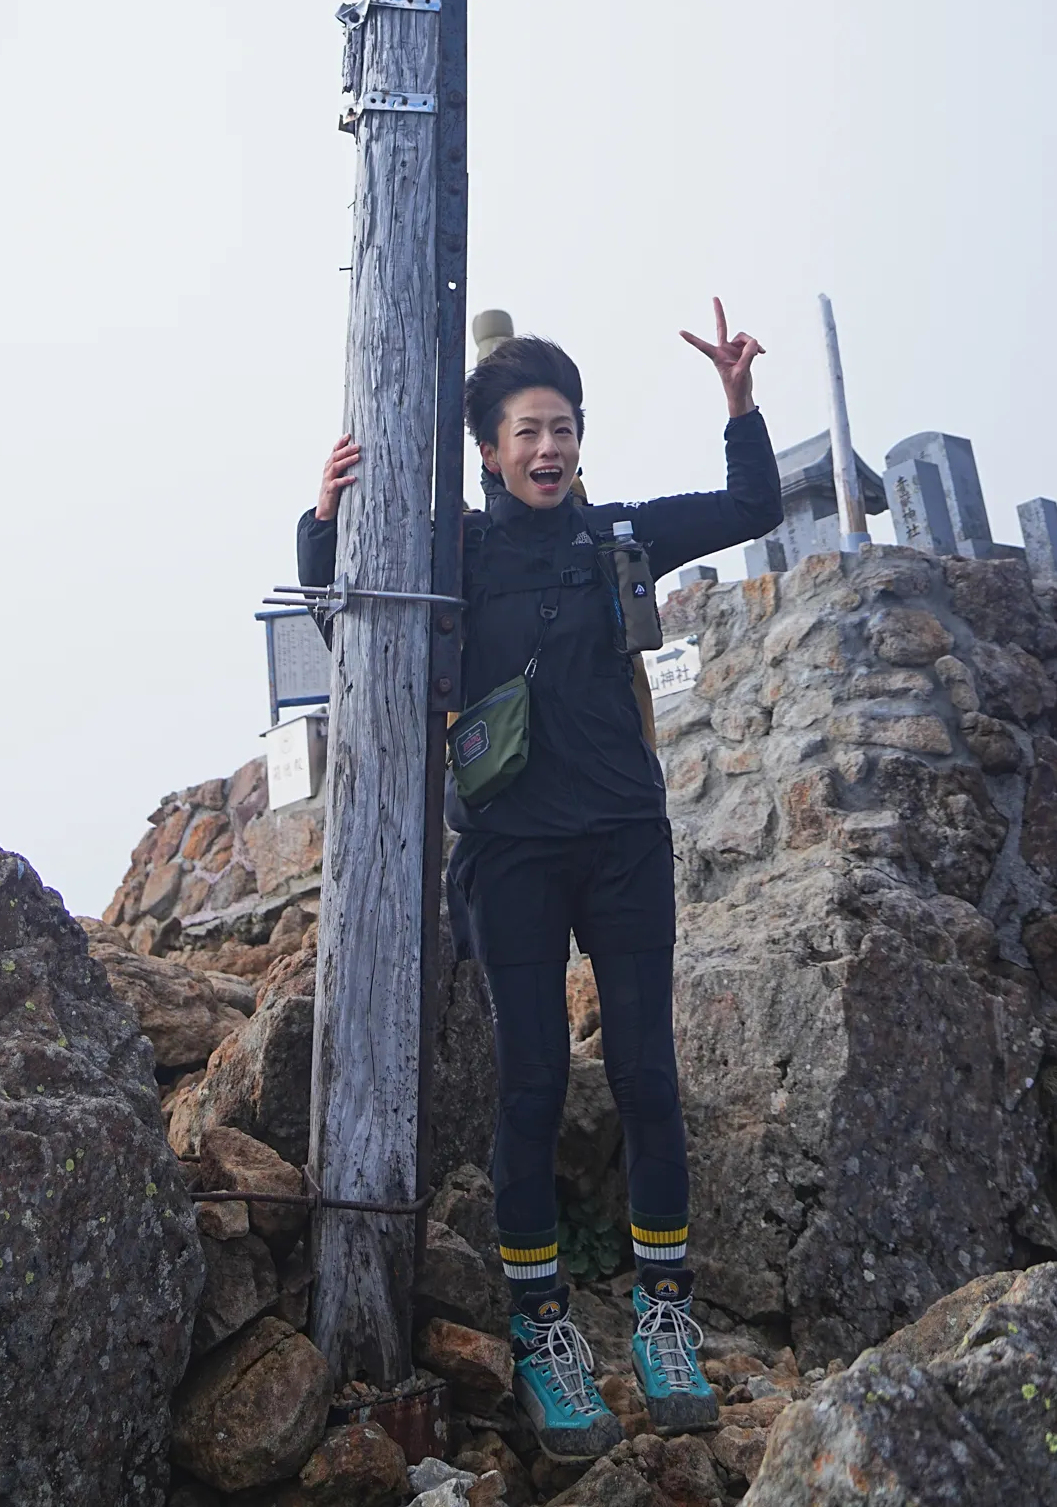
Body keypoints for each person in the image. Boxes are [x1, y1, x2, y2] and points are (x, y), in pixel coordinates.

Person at [297, 299, 783, 1460]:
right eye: (526, 431)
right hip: (511, 856)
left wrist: (738, 403)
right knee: (530, 1084)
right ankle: (545, 1328)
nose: (548, 449)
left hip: (624, 840)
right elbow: (344, 621)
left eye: (562, 427)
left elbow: (754, 508)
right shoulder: (451, 553)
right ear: (488, 449)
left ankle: (665, 1316)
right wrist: (322, 522)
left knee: (647, 1073)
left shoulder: (615, 538)